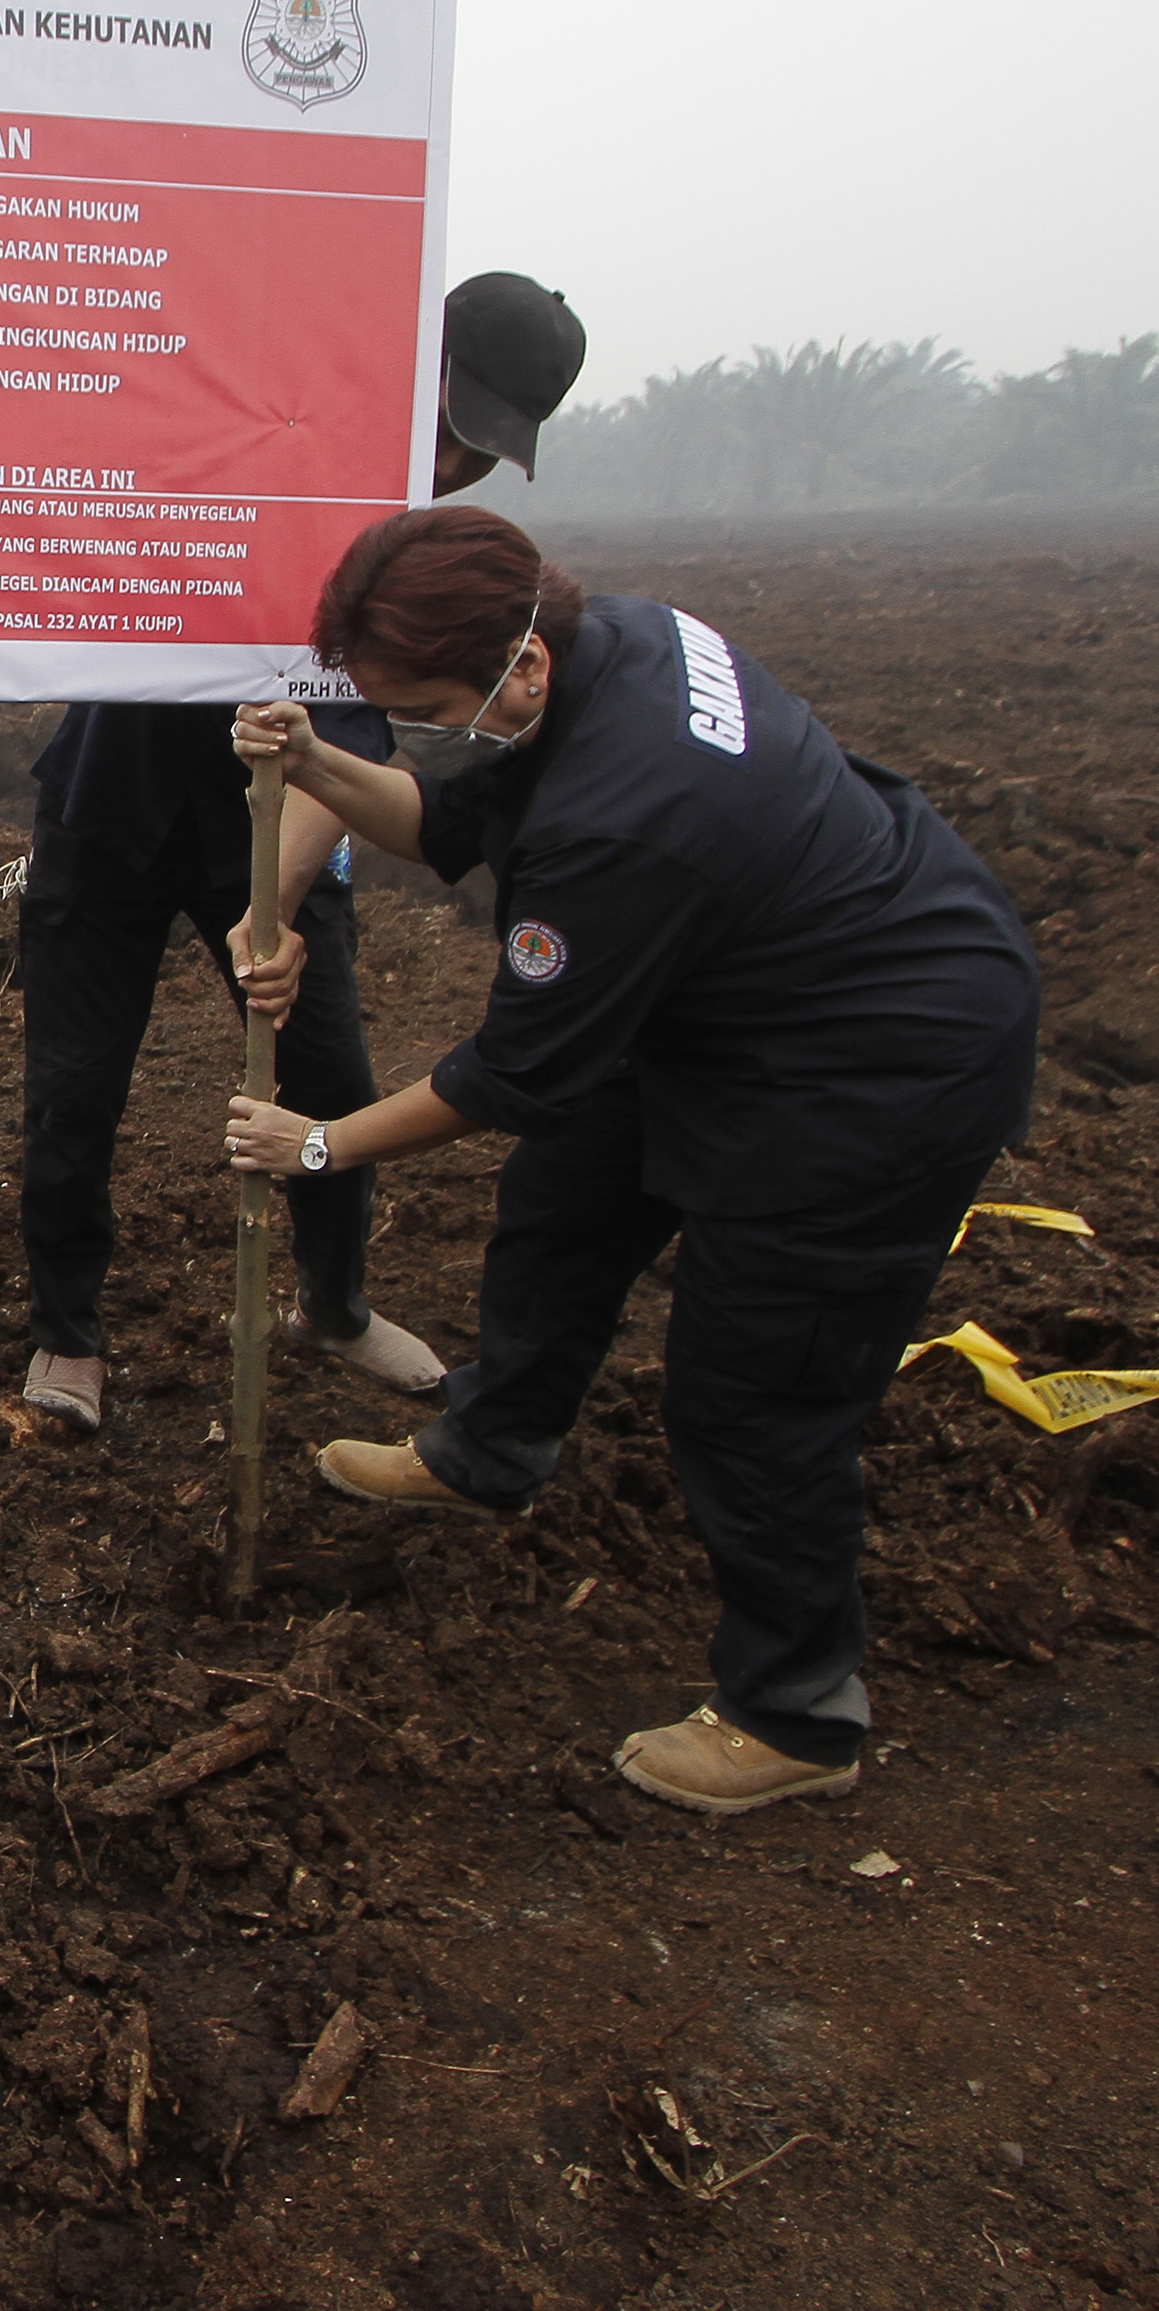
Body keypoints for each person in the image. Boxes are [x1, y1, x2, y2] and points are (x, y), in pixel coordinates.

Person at [223, 508, 1039, 1814]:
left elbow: (510, 1074)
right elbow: (444, 819)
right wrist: (318, 757)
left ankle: (796, 1709)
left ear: (521, 665)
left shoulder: (628, 813)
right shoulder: (604, 641)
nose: (419, 724)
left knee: (758, 1389)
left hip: (877, 1063)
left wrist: (316, 1141)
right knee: (565, 1206)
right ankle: (490, 1446)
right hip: (721, 995)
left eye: (424, 704)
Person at [13, 272, 588, 1433]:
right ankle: (65, 1331)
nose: (453, 461)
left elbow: (364, 742)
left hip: (279, 822)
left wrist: (267, 910)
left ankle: (333, 1305)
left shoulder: (423, 549)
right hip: (108, 804)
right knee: (75, 1092)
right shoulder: (263, 435)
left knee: (328, 1082)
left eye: (480, 448)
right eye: (447, 425)